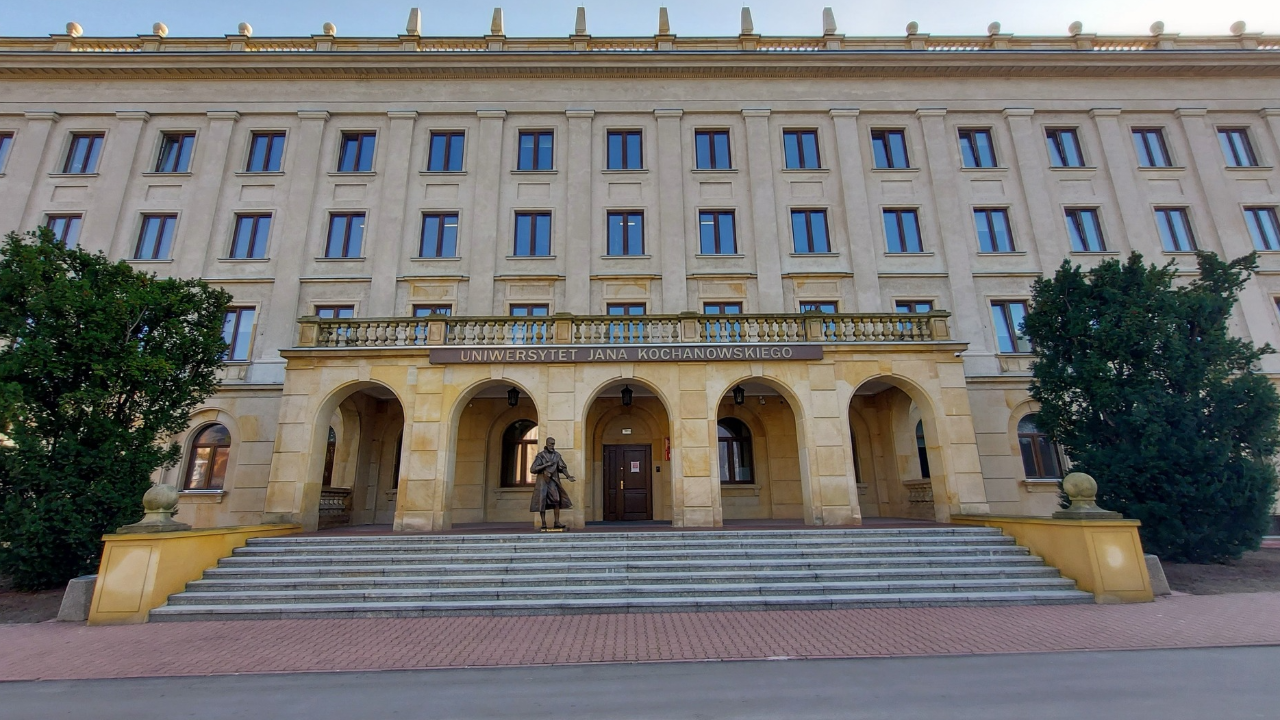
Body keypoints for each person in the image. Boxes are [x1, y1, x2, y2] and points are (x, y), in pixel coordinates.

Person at [529, 436, 574, 530]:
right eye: (550, 444)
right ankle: (543, 522)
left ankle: (557, 522)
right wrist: (546, 465)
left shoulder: (557, 455)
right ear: (547, 444)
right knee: (542, 501)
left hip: (553, 481)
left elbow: (562, 467)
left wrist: (568, 476)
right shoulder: (541, 456)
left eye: (553, 444)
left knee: (556, 500)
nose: (552, 446)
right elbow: (533, 469)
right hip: (542, 481)